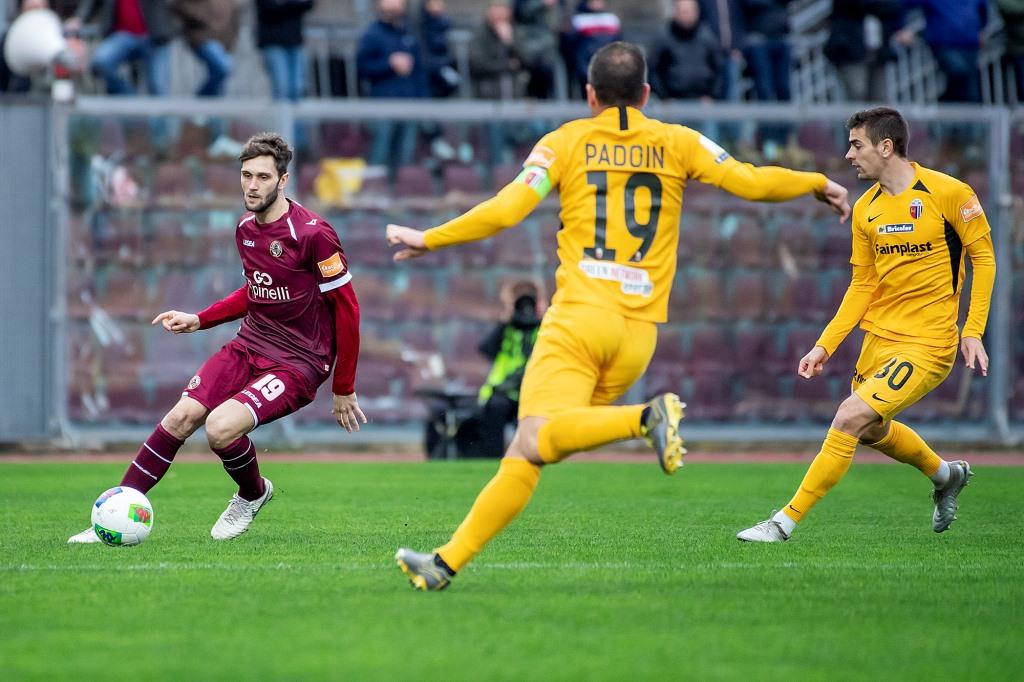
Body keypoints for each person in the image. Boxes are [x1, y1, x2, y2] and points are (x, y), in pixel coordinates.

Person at [386, 41, 851, 590]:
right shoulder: (679, 141)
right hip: (638, 335)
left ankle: (646, 418)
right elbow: (749, 180)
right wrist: (816, 182)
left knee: (535, 439)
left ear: (590, 95)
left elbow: (509, 208)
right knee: (532, 448)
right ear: (646, 94)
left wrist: (429, 238)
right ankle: (444, 564)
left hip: (580, 319)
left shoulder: (565, 142)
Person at [68, 132, 365, 544]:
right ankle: (112, 517)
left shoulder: (313, 234)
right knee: (180, 417)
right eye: (247, 175)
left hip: (298, 362)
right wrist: (200, 319)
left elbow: (348, 310)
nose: (252, 185)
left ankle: (252, 493)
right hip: (249, 345)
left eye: (263, 176)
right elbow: (255, 290)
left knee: (220, 428)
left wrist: (343, 387)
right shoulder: (245, 229)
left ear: (283, 180)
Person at [737, 107, 996, 543]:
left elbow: (983, 260)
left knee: (849, 416)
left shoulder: (949, 193)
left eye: (857, 145)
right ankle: (945, 475)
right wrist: (824, 345)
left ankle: (782, 522)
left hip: (929, 342)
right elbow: (862, 285)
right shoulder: (865, 209)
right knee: (871, 428)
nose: (849, 155)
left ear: (886, 146)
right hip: (879, 338)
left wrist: (972, 330)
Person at [454, 280, 544, 458]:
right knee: (495, 409)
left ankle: (530, 458)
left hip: (532, 391)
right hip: (503, 391)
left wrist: (543, 314)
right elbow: (486, 349)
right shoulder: (507, 328)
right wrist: (507, 317)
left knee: (533, 422)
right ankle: (493, 459)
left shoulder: (545, 328)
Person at [70, 0, 176, 96]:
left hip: (155, 36)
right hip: (122, 35)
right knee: (102, 62)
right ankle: (131, 99)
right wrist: (79, 18)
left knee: (159, 87)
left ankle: (155, 110)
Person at [649, 0, 723, 101]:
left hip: (703, 101)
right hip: (672, 101)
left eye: (689, 12)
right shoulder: (664, 37)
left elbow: (719, 68)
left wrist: (713, 95)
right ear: (675, 13)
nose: (686, 16)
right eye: (683, 12)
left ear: (696, 12)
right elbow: (654, 70)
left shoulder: (708, 37)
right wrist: (663, 96)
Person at [256, 0, 314, 102]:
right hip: (272, 41)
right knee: (282, 87)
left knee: (298, 88)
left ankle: (295, 113)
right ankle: (281, 112)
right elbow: (270, 6)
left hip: (295, 42)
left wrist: (284, 3)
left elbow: (307, 4)